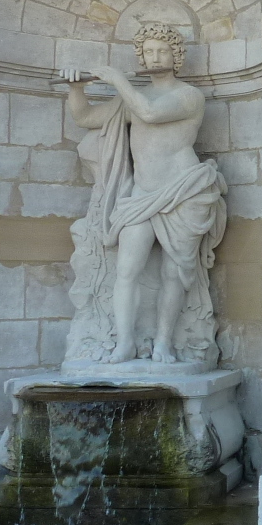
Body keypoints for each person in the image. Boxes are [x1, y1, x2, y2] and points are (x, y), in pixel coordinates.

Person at [62, 23, 226, 364]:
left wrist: (118, 81)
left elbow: (150, 113)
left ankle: (164, 342)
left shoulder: (188, 95)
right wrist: (76, 90)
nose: (155, 57)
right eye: (149, 51)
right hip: (141, 194)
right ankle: (125, 343)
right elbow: (86, 117)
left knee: (174, 272)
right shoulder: (130, 100)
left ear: (176, 55)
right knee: (127, 269)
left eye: (162, 50)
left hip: (183, 191)